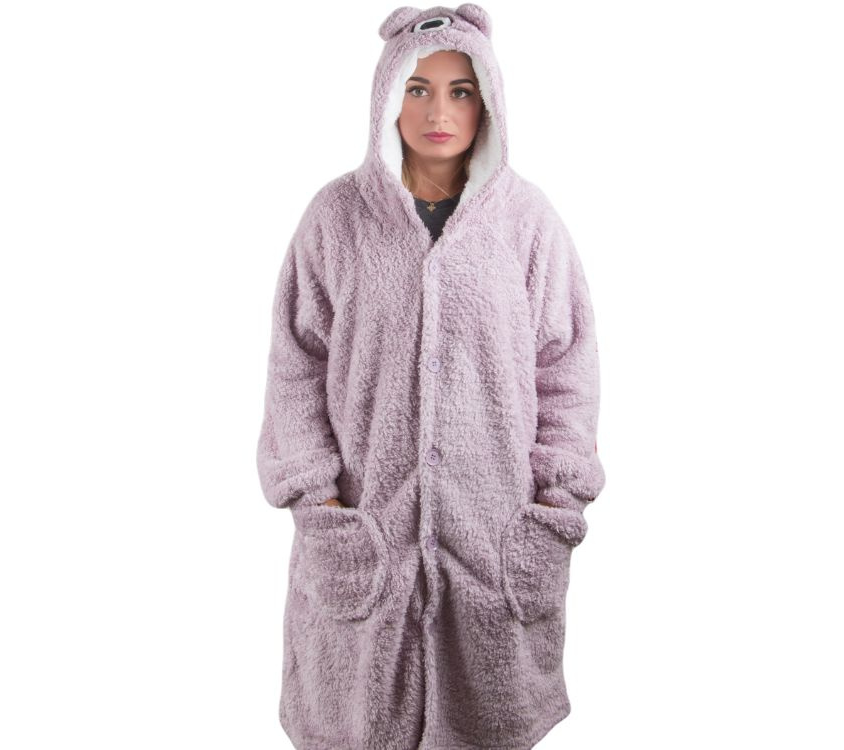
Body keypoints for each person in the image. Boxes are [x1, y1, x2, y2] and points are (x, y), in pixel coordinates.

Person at [256, 5, 606, 748]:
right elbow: (296, 366)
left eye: (460, 91)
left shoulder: (528, 223)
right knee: (358, 721)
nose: (438, 112)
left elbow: (565, 368)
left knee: (489, 719)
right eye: (418, 89)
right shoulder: (336, 219)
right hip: (365, 533)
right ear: (387, 95)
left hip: (495, 541)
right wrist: (318, 499)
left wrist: (555, 502)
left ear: (489, 102)